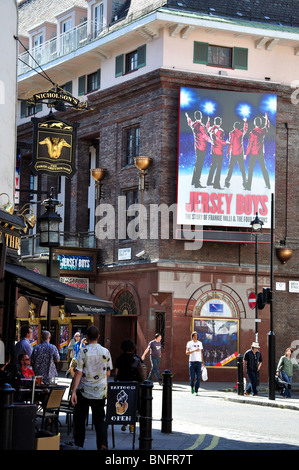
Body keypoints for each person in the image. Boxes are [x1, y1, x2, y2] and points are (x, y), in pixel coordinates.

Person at [71, 325, 112, 450]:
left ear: (86, 337)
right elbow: (108, 372)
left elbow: (78, 373)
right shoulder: (105, 351)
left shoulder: (83, 352)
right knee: (100, 420)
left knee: (79, 419)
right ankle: (102, 444)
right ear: (98, 336)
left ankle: (79, 444)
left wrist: (74, 391)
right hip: (100, 392)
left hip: (84, 390)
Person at [114, 338, 145, 433]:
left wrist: (117, 381)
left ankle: (125, 422)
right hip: (134, 385)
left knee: (124, 403)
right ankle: (132, 426)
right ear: (132, 348)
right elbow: (141, 373)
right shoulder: (136, 358)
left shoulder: (119, 358)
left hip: (122, 385)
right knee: (133, 405)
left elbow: (116, 373)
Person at [244, 113, 271, 191]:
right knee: (264, 169)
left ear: (254, 123)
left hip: (253, 153)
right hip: (260, 154)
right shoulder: (262, 131)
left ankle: (248, 187)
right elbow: (267, 127)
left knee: (250, 170)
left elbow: (250, 145)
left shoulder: (252, 132)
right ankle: (268, 185)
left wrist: (246, 154)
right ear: (261, 123)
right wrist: (266, 119)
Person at [186, 110, 211, 188]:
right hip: (202, 147)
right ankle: (197, 183)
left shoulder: (194, 124)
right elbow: (205, 134)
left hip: (197, 147)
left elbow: (189, 123)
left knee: (197, 164)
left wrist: (188, 117)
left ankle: (193, 181)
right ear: (201, 116)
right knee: (199, 165)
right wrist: (211, 141)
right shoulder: (201, 126)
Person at [225, 118, 248, 189]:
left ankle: (227, 182)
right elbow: (245, 129)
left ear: (234, 127)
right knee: (242, 169)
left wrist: (228, 152)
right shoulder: (241, 132)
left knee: (230, 168)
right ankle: (245, 182)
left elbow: (230, 143)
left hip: (233, 153)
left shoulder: (231, 133)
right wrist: (245, 122)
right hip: (240, 153)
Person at [206, 116, 228, 189]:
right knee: (218, 168)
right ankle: (216, 184)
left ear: (215, 122)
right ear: (220, 123)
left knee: (213, 166)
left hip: (213, 150)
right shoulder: (220, 131)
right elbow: (220, 141)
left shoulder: (211, 129)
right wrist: (227, 143)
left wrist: (208, 121)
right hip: (219, 151)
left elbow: (207, 127)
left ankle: (209, 182)